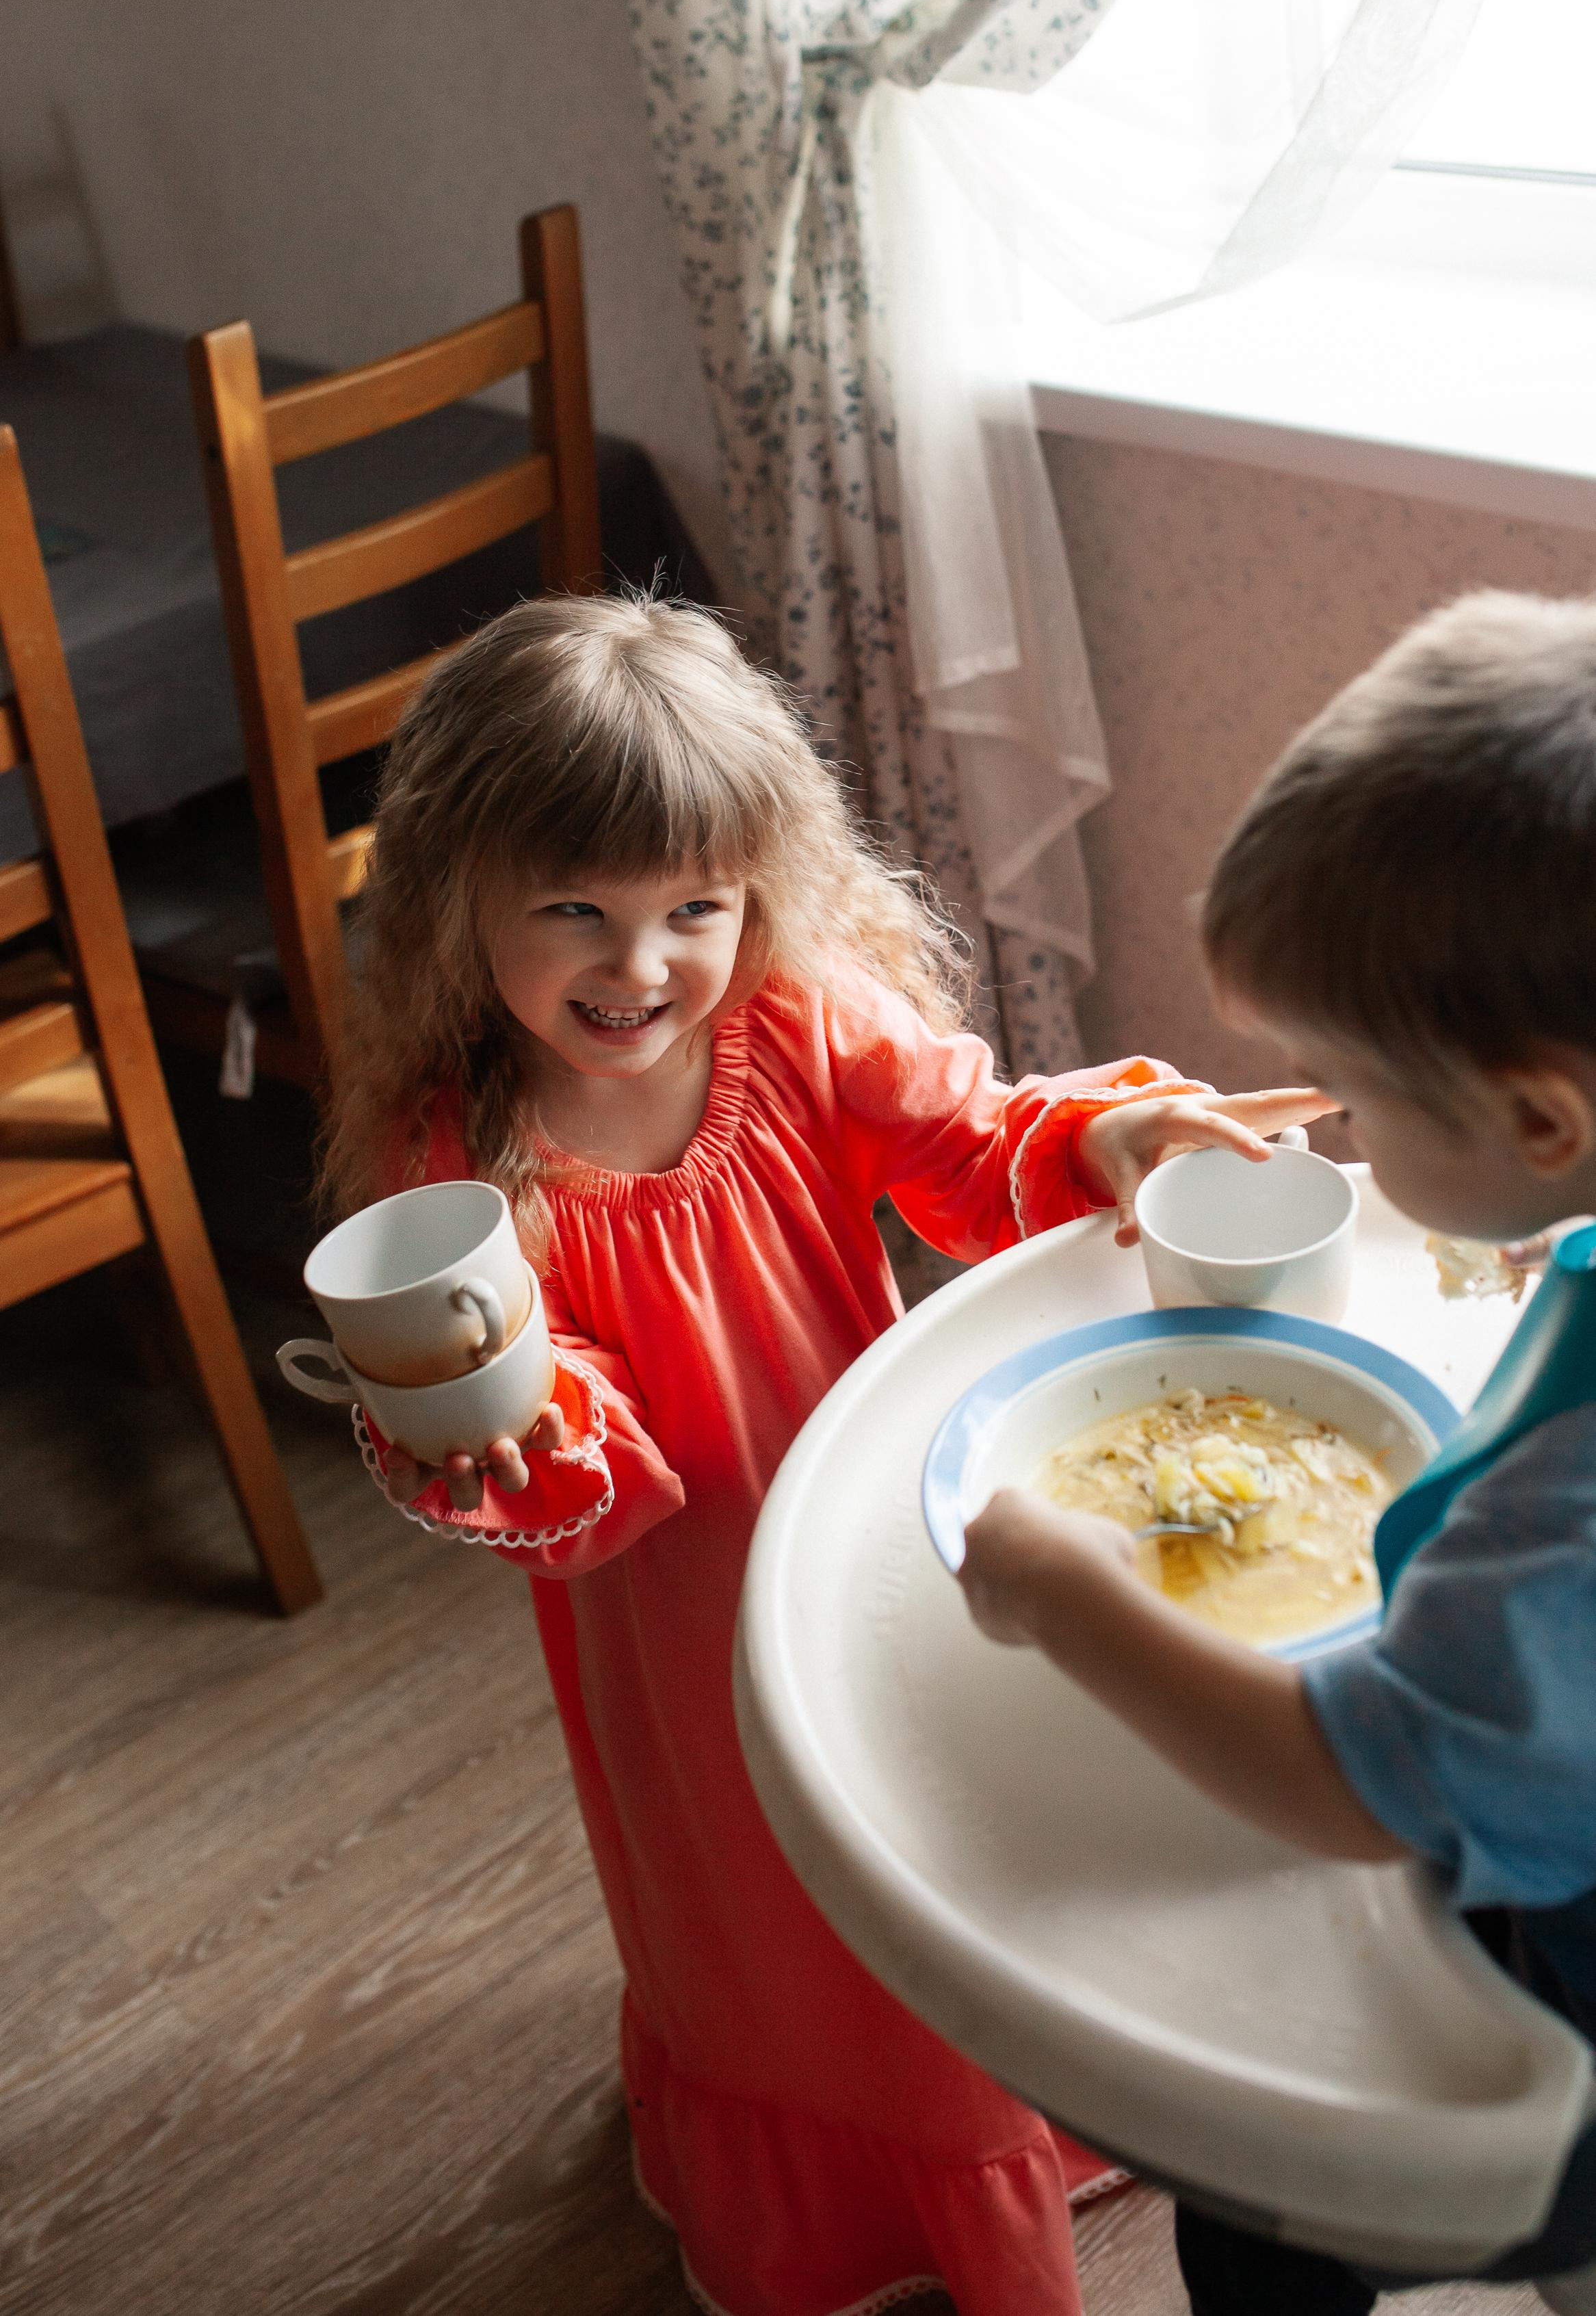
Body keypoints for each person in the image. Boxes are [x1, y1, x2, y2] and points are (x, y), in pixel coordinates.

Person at [322, 592, 1325, 2316]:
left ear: (754, 893)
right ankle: (851, 2189)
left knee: (928, 1828)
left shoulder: (790, 1024)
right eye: (576, 913)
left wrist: (1115, 1132)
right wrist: (499, 1413)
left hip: (874, 1531)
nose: (640, 968)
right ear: (457, 902)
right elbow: (586, 1466)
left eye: (690, 910)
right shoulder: (463, 1161)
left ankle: (986, 2107)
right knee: (760, 1915)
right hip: (684, 1614)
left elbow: (967, 1145)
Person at [957, 588, 1596, 2315]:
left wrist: (1069, 1588)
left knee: (1257, 2186)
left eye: (1357, 1097)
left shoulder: (1570, 1522)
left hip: (1561, 2044)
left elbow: (1332, 1784)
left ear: (1545, 1119)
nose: (1326, 1125)